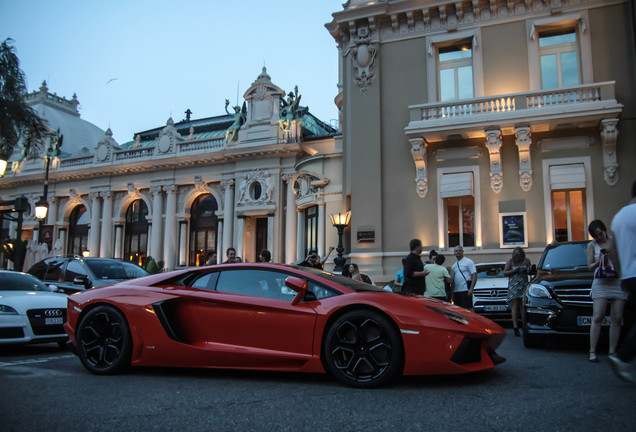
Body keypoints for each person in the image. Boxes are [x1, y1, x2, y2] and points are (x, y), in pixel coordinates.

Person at [586, 219, 626, 362]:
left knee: (617, 317)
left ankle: (612, 351)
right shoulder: (592, 246)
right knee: (598, 316)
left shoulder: (615, 241)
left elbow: (624, 258)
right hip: (601, 283)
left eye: (600, 234)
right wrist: (600, 260)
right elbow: (589, 267)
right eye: (596, 236)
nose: (599, 238)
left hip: (616, 281)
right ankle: (592, 351)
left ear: (604, 230)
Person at [608, 180, 636, 382]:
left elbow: (613, 250)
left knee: (632, 319)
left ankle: (623, 356)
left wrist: (621, 275)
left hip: (629, 276)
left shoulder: (619, 217)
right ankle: (623, 356)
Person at [504, 247, 531, 336]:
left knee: (523, 305)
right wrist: (514, 270)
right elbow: (505, 273)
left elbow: (530, 271)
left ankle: (524, 324)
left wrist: (527, 269)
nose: (519, 258)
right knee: (515, 304)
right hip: (514, 285)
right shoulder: (510, 261)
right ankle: (515, 327)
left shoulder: (526, 260)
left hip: (523, 284)